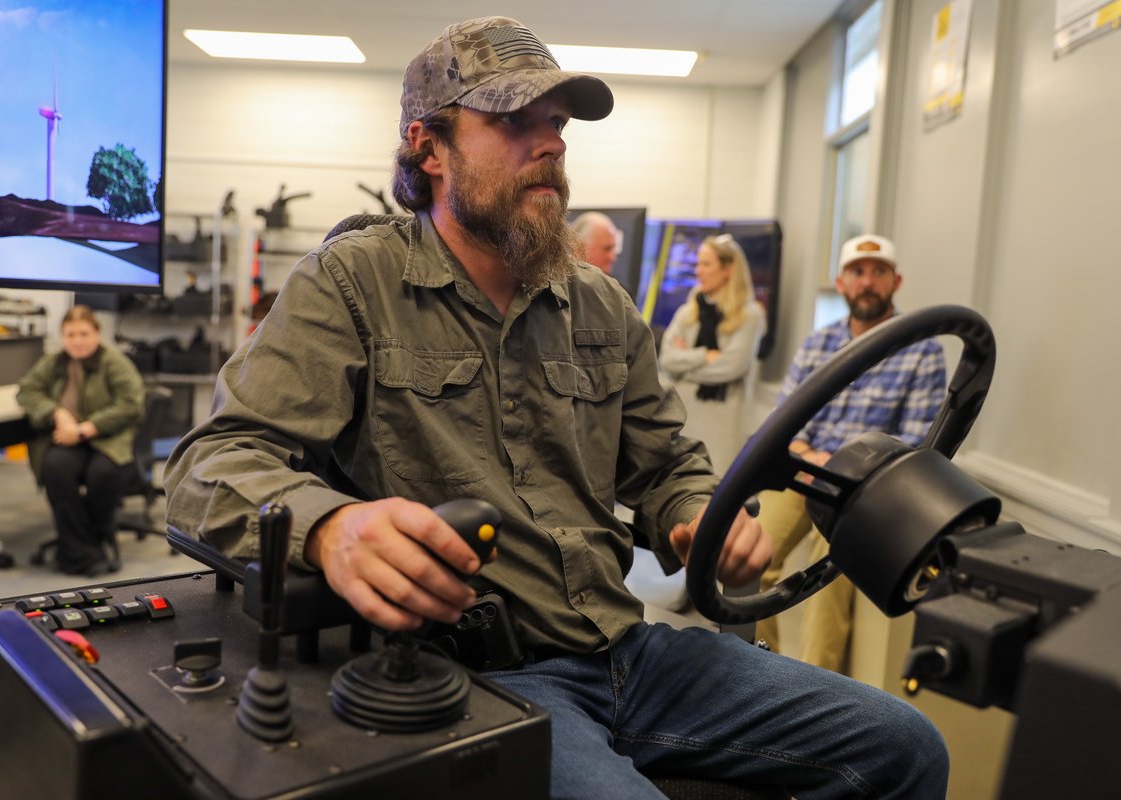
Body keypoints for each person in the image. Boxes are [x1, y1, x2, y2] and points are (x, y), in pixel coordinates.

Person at [165, 17, 947, 799]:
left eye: (558, 124)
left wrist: (697, 510)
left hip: (626, 649)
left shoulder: (599, 303)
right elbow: (209, 463)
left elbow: (668, 462)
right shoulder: (352, 284)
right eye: (513, 121)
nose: (552, 144)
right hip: (486, 673)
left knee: (906, 747)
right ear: (427, 148)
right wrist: (330, 528)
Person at [754, 234, 947, 673]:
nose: (868, 282)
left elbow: (916, 444)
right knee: (753, 556)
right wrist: (810, 459)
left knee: (823, 579)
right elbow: (786, 419)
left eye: (879, 272)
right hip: (806, 471)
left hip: (863, 489)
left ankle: (812, 694)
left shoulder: (923, 350)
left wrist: (841, 470)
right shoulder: (818, 344)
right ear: (841, 283)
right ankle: (760, 672)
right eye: (857, 273)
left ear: (896, 281)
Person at [17, 305, 144, 576]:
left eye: (84, 333)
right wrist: (56, 412)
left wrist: (88, 428)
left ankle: (80, 548)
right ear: (62, 336)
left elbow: (131, 404)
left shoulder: (113, 362)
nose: (77, 340)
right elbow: (27, 390)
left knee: (103, 473)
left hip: (107, 437)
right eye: (70, 334)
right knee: (55, 468)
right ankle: (86, 551)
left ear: (97, 333)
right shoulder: (54, 361)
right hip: (67, 438)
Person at [659, 234, 766, 470]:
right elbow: (667, 360)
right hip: (684, 422)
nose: (698, 271)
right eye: (698, 263)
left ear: (728, 269)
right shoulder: (687, 313)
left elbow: (731, 367)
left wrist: (683, 370)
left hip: (724, 430)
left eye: (706, 264)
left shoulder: (750, 315)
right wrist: (703, 356)